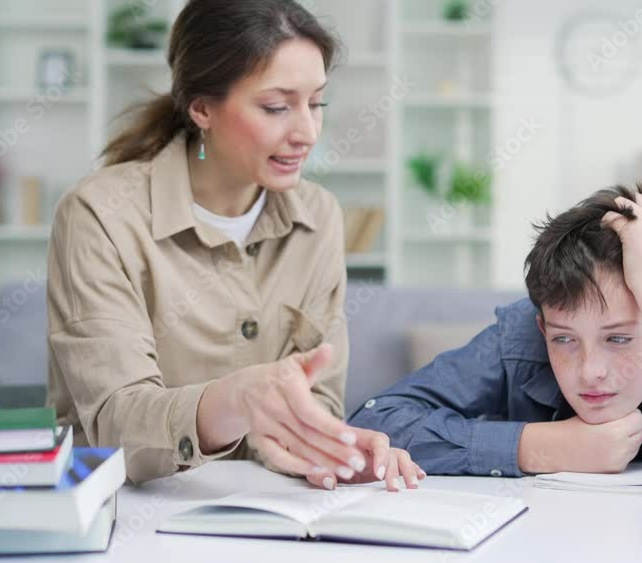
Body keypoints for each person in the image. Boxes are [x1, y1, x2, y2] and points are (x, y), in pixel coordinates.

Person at [47, 0, 423, 491]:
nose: (307, 132)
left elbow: (318, 401)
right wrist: (234, 402)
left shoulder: (319, 217)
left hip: (267, 507)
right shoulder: (100, 214)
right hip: (121, 508)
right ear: (202, 108)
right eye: (276, 107)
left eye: (316, 104)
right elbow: (116, 423)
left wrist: (332, 449)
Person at [349, 183, 642, 501]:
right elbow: (373, 426)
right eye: (564, 339)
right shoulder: (520, 336)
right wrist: (541, 446)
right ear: (542, 326)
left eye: (618, 338)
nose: (590, 372)